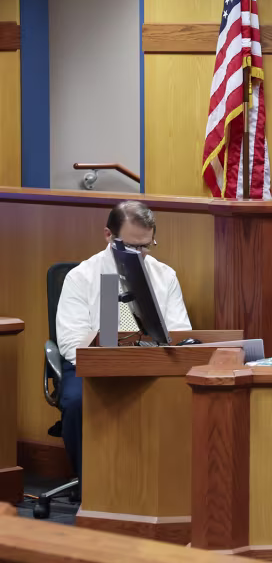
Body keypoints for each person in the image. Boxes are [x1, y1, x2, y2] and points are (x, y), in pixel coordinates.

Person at [55, 201, 192, 476]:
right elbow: (71, 342)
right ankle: (89, 485)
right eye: (130, 246)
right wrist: (110, 362)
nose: (139, 254)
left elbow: (180, 332)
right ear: (108, 235)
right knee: (77, 402)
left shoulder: (164, 276)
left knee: (185, 396)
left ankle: (163, 484)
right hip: (93, 367)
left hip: (151, 364)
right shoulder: (81, 276)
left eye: (146, 246)